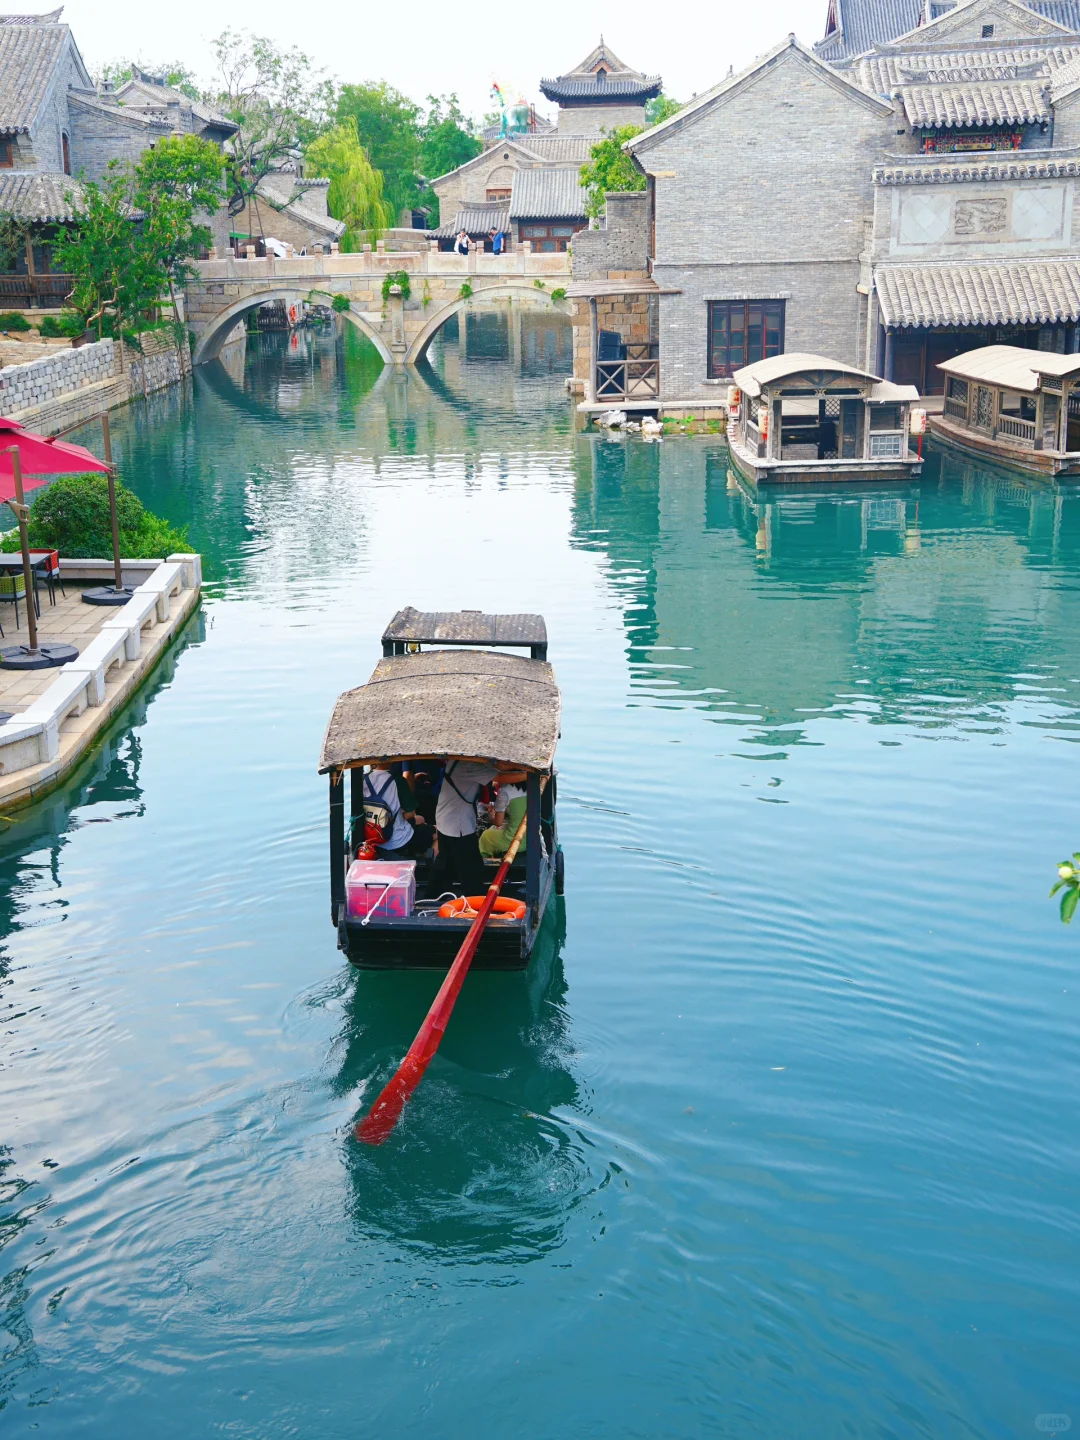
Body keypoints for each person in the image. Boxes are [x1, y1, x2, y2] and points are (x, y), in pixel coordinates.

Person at [429, 759, 525, 896]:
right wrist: (530, 774)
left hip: (447, 817)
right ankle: (475, 898)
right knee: (470, 866)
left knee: (445, 861)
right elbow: (501, 777)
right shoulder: (468, 766)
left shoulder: (458, 761)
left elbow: (499, 765)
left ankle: (434, 894)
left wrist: (518, 765)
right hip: (458, 823)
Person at [360, 763, 429, 859]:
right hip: (398, 840)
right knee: (432, 829)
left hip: (371, 838)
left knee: (420, 819)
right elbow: (410, 815)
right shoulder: (398, 781)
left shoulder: (363, 779)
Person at [478, 779, 526, 859]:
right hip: (530, 838)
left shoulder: (505, 791)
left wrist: (491, 815)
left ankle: (487, 860)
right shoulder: (529, 786)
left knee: (486, 836)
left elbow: (498, 822)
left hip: (514, 841)